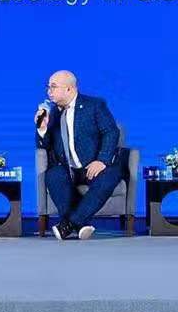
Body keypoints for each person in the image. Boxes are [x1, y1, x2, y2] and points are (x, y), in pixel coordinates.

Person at [34, 70, 126, 241]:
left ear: (69, 89)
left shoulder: (94, 105)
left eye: (53, 87)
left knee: (108, 178)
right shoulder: (53, 113)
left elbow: (111, 132)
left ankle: (68, 224)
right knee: (53, 176)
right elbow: (44, 146)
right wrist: (42, 129)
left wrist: (102, 160)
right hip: (67, 168)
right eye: (48, 87)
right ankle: (81, 225)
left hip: (94, 164)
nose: (49, 91)